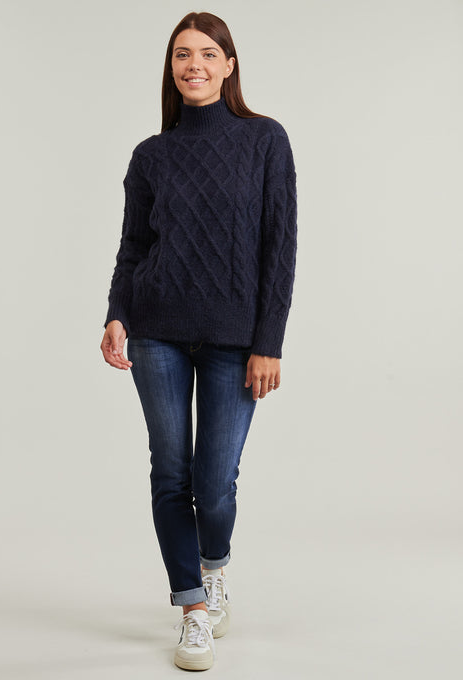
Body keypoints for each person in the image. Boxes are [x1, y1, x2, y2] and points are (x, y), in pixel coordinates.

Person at [100, 11, 298, 672]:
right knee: (170, 471)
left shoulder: (264, 139)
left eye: (208, 54)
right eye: (183, 54)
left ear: (229, 65)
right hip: (155, 331)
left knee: (214, 485)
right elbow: (133, 246)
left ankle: (215, 568)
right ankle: (190, 607)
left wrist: (268, 341)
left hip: (234, 340)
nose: (195, 65)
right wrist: (117, 313)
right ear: (171, 66)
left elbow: (279, 248)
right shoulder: (151, 156)